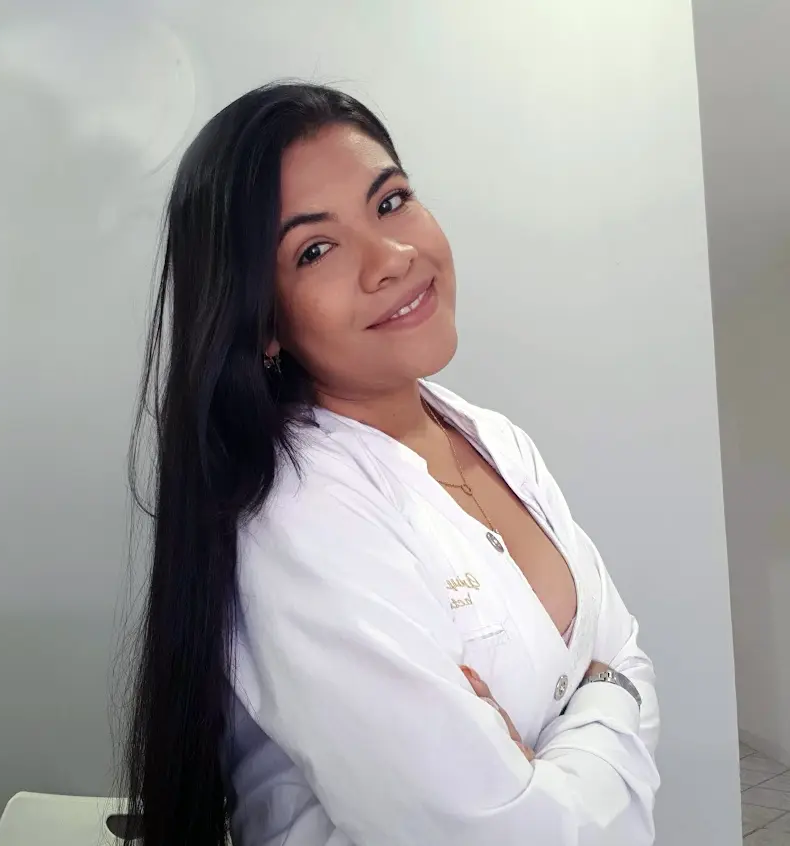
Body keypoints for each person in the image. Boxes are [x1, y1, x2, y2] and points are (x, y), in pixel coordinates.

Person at [124, 81, 660, 846]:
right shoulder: (301, 520)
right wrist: (607, 701)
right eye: (315, 249)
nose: (391, 257)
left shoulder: (496, 439)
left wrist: (572, 731)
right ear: (263, 322)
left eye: (391, 201)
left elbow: (629, 655)